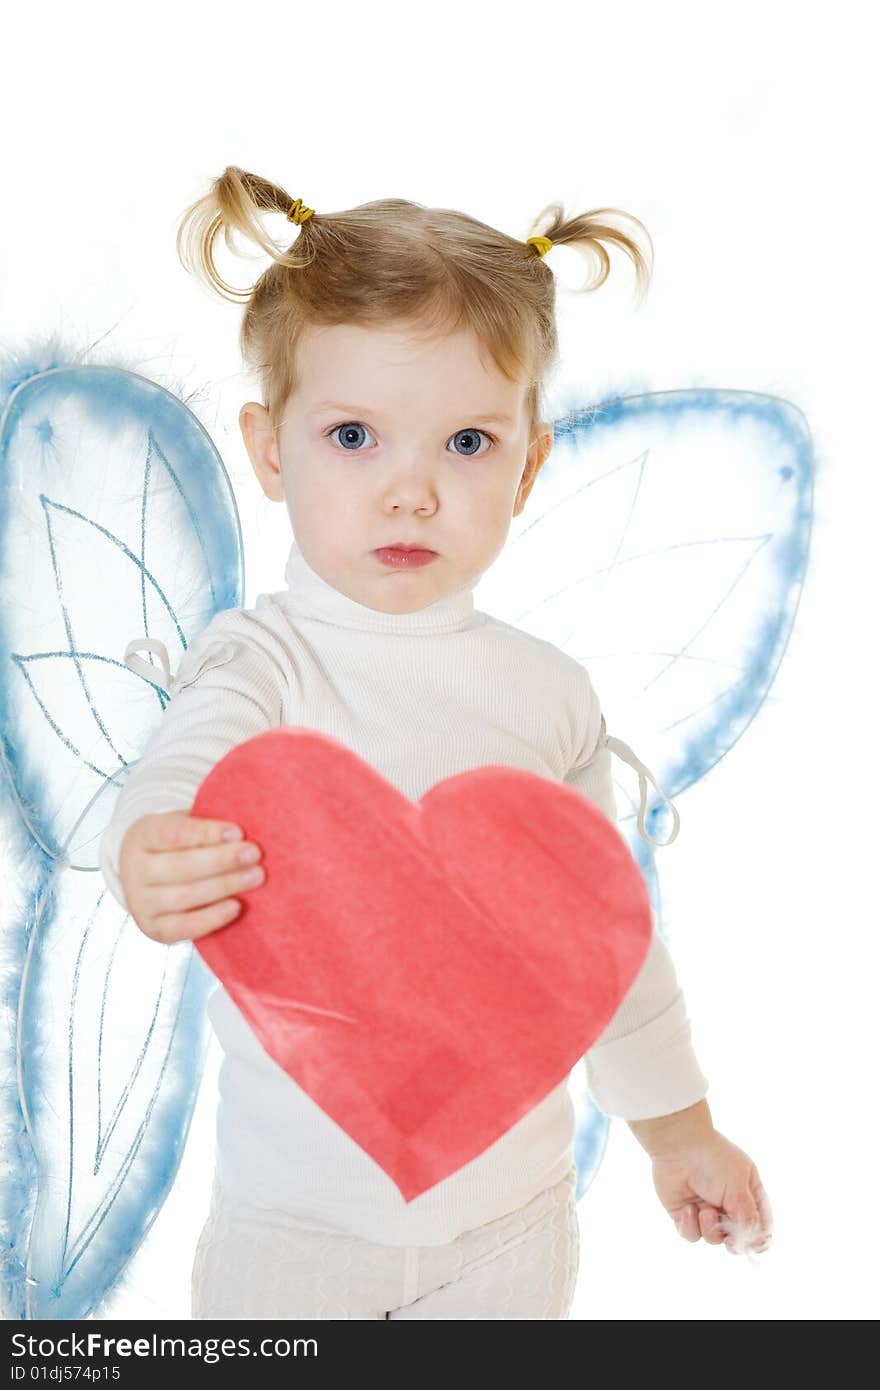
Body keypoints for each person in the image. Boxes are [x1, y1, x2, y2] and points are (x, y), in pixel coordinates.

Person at [98, 167, 772, 1320]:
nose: (410, 491)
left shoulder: (547, 695)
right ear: (269, 450)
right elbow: (185, 761)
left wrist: (677, 1127)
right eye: (354, 435)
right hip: (290, 1233)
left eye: (465, 442)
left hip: (506, 1227)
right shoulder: (258, 664)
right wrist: (147, 844)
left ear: (529, 463)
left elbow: (602, 941)